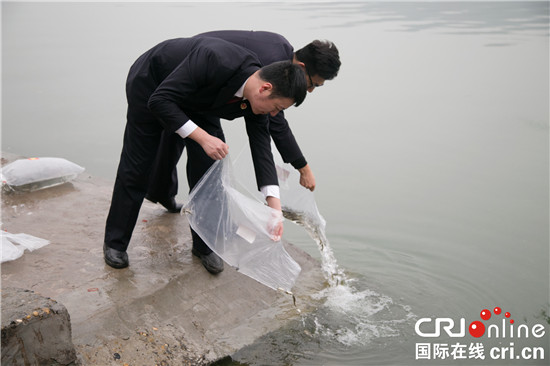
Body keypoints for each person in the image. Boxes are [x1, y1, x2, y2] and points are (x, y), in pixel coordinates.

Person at [103, 36, 307, 273]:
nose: (274, 115)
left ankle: (204, 245)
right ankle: (115, 242)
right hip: (153, 84)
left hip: (201, 101)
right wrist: (202, 137)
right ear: (265, 88)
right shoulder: (215, 58)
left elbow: (261, 148)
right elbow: (160, 100)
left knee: (210, 170)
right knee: (138, 165)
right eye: (277, 108)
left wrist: (274, 209)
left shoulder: (258, 98)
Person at [146, 31, 341, 208]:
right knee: (204, 153)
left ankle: (161, 192)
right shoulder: (273, 68)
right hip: (197, 74)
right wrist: (302, 167)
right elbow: (275, 125)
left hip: (211, 85)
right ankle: (201, 236)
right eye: (313, 83)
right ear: (301, 67)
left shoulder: (281, 51)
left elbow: (268, 119)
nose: (310, 90)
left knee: (178, 130)